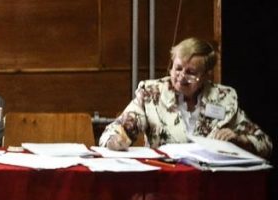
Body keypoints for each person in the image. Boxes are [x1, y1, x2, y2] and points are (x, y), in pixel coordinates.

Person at [99, 37, 271, 158]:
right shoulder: (152, 93)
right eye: (178, 68)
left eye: (191, 72)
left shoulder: (223, 98)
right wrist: (115, 141)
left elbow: (265, 144)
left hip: (211, 182)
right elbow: (113, 131)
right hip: (164, 180)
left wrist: (239, 140)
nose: (181, 77)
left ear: (206, 75)